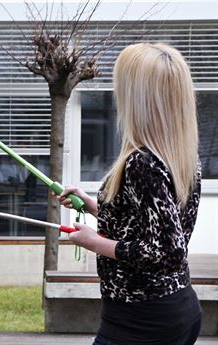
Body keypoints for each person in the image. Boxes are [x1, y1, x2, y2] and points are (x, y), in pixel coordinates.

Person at [57, 43, 202, 345]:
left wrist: (94, 242)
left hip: (140, 320)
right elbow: (152, 222)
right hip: (174, 306)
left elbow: (167, 250)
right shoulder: (180, 156)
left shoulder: (142, 163)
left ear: (140, 99)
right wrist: (97, 206)